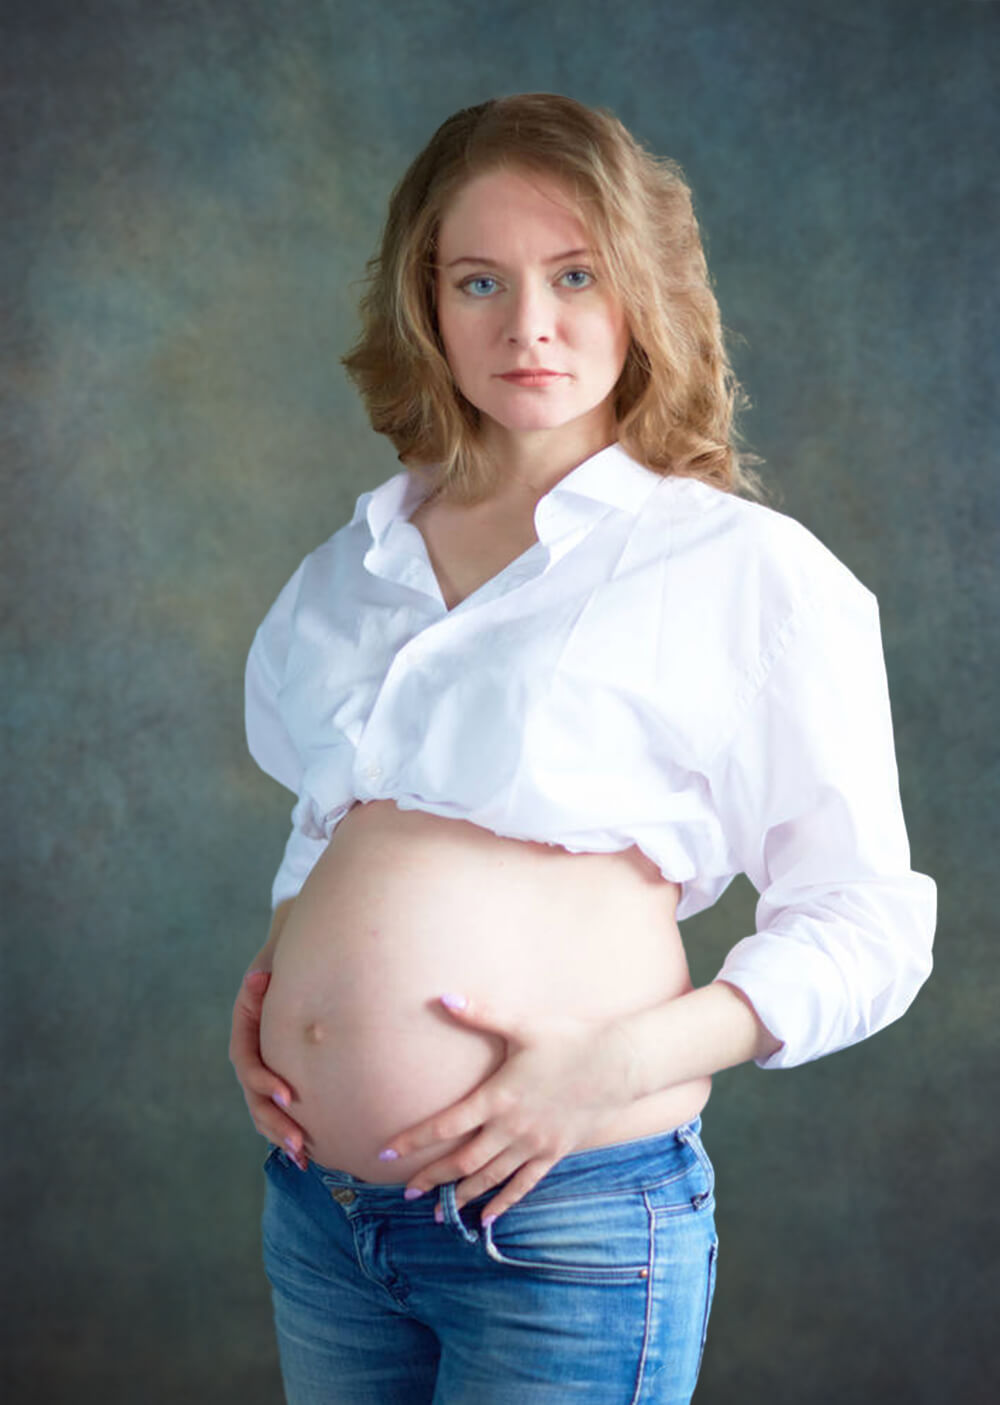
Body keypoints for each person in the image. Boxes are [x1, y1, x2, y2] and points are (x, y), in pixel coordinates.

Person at [230, 93, 936, 1404]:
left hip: (562, 1222)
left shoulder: (738, 569)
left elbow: (869, 922)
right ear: (425, 303)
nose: (528, 324)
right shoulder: (352, 565)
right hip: (324, 1220)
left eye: (574, 275)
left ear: (644, 294)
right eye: (479, 280)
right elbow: (329, 824)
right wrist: (279, 998)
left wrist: (610, 1066)